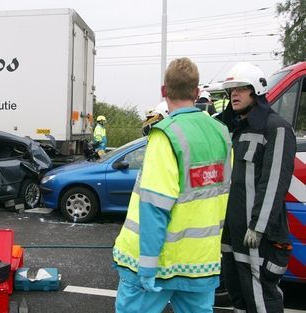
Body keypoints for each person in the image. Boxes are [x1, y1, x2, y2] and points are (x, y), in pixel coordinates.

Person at [113, 57, 232, 313]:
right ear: (197, 92)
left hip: (159, 262)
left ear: (164, 91)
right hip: (201, 262)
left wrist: (147, 266)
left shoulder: (166, 135)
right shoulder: (222, 133)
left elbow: (155, 205)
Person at [219, 62, 295, 313]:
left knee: (262, 302)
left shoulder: (276, 128)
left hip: (258, 239)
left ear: (257, 91)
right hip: (233, 236)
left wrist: (257, 227)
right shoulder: (236, 130)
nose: (234, 95)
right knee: (238, 298)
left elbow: (274, 182)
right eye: (231, 90)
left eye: (241, 88)